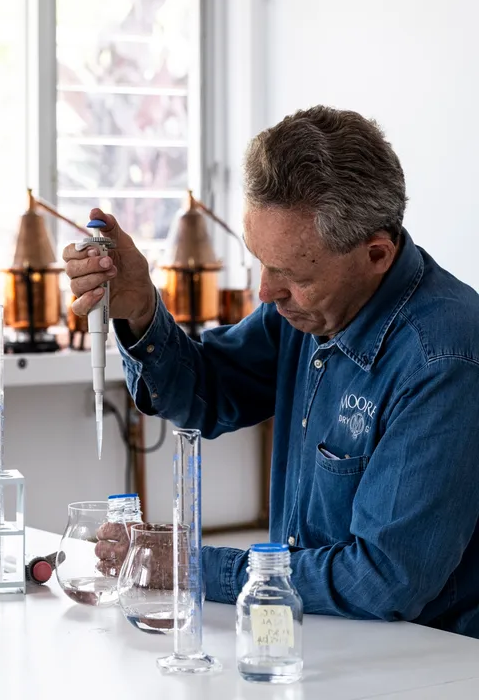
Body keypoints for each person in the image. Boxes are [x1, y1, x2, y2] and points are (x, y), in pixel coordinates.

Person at [63, 106, 479, 637]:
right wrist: (141, 309)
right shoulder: (308, 311)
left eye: (290, 273)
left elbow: (384, 580)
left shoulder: (444, 358)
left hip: (428, 667)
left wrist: (190, 565)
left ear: (376, 253)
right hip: (312, 643)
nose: (265, 292)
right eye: (261, 260)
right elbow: (206, 393)